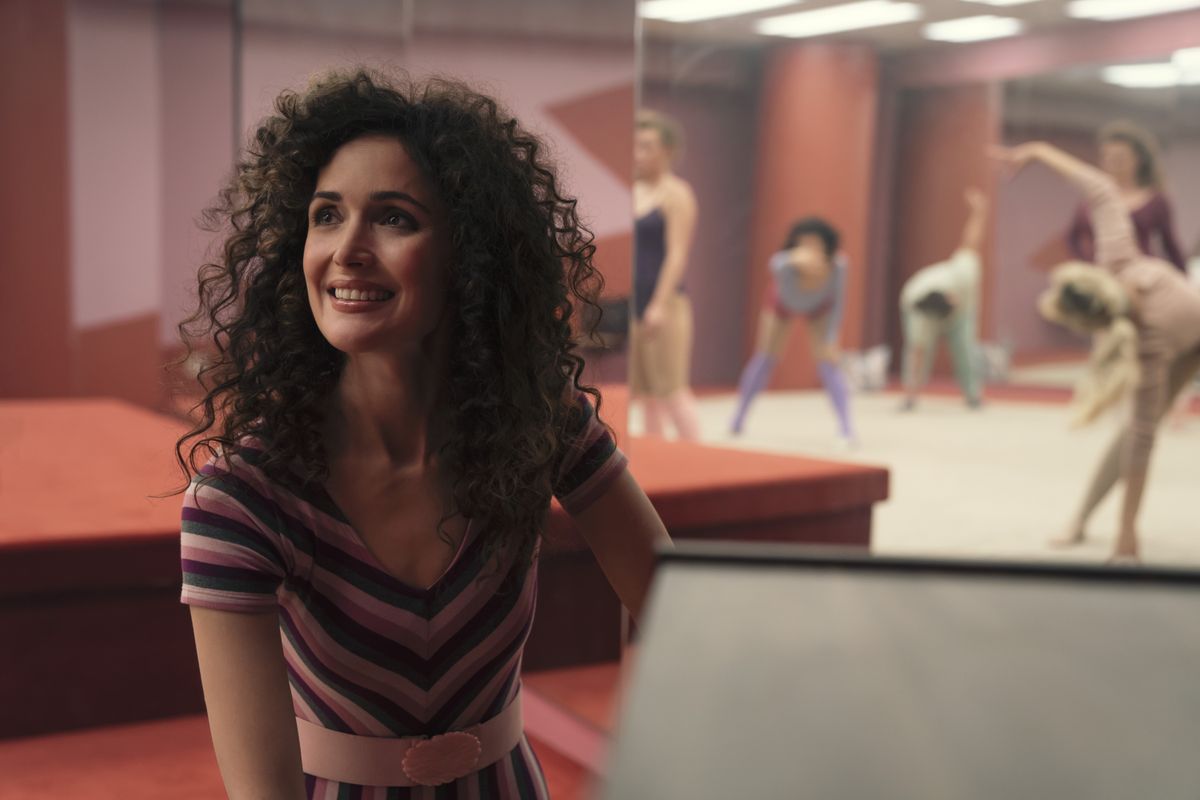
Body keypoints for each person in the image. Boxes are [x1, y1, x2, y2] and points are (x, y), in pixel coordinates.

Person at [175, 69, 671, 798]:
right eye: (326, 215)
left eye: (395, 218)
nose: (346, 249)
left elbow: (676, 606)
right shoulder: (238, 498)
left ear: (467, 257)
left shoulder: (542, 420)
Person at [993, 141, 1200, 563]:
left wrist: (1037, 151)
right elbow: (1142, 444)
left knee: (1136, 435)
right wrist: (1128, 534)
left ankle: (1087, 521)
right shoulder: (1146, 347)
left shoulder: (1117, 257)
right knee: (1133, 435)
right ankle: (1082, 519)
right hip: (1182, 344)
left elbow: (1100, 188)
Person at [730, 217, 856, 447]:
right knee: (765, 358)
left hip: (820, 309)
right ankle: (738, 418)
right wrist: (794, 259)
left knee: (828, 363)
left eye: (815, 244)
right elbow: (774, 263)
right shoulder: (785, 264)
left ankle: (846, 427)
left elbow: (839, 302)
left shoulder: (838, 266)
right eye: (804, 243)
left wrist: (831, 338)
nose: (809, 249)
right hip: (781, 307)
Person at [630, 110, 702, 441]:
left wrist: (658, 304)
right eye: (636, 146)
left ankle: (699, 460)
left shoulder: (677, 194)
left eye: (647, 146)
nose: (638, 153)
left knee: (672, 390)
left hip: (666, 303)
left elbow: (677, 253)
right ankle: (656, 464)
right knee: (646, 395)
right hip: (633, 301)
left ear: (668, 150)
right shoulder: (631, 190)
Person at [898, 189, 988, 411]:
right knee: (919, 348)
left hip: (962, 313)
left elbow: (970, 242)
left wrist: (979, 212)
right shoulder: (916, 303)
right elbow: (917, 350)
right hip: (924, 310)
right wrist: (911, 393)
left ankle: (972, 395)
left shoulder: (963, 273)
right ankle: (911, 394)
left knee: (965, 349)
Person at [1065, 120, 1186, 272]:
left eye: (1119, 157)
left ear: (1138, 159)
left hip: (1138, 281)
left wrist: (1185, 283)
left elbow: (1170, 246)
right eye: (1107, 156)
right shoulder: (1093, 197)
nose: (1112, 162)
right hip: (1100, 278)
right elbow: (1072, 237)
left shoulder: (1156, 200)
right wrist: (1087, 265)